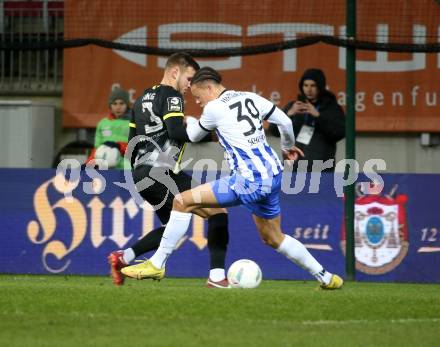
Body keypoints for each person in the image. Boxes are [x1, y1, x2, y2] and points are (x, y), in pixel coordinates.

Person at [121, 67, 343, 290]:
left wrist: (186, 120)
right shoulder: (251, 97)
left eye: (198, 97)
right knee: (273, 237)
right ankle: (326, 277)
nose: (198, 103)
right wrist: (286, 146)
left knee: (182, 201)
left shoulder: (214, 108)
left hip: (248, 182)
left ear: (209, 87)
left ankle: (157, 264)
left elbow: (192, 136)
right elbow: (285, 121)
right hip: (273, 175)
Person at [108, 53, 230, 288]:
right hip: (162, 172)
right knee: (218, 213)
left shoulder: (142, 97)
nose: (190, 85)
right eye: (189, 78)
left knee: (171, 230)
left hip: (141, 174)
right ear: (176, 72)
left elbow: (132, 142)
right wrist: (201, 129)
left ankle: (123, 258)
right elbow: (175, 132)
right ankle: (217, 277)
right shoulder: (172, 96)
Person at [268, 68, 345, 172]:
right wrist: (289, 114)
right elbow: (273, 131)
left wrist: (318, 116)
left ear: (320, 87)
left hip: (322, 168)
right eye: (306, 85)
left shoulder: (331, 107)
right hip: (294, 167)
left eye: (313, 85)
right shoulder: (293, 106)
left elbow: (340, 132)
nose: (309, 89)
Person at [86, 87, 131, 169]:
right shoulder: (102, 123)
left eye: (121, 103)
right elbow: (97, 148)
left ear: (127, 105)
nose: (118, 107)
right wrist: (88, 163)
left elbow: (138, 147)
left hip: (126, 168)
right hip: (104, 168)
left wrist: (119, 146)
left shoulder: (134, 123)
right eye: (115, 103)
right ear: (110, 105)